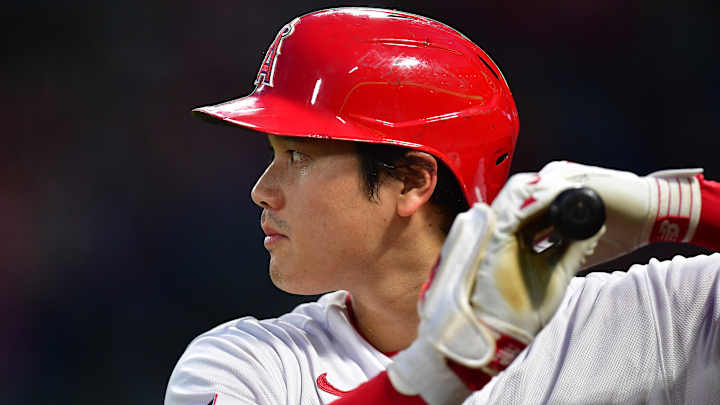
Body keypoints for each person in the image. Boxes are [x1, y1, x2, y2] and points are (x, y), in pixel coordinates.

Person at [165, 7, 720, 405]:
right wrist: (444, 370)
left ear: (412, 182)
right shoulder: (247, 364)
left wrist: (678, 205)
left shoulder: (646, 322)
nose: (263, 189)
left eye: (298, 156)